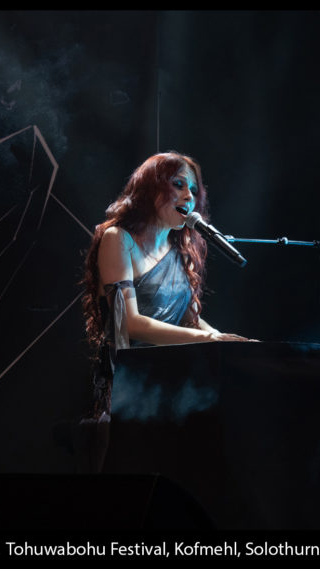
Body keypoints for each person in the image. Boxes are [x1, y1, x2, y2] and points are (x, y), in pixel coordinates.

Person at [76, 151, 250, 470]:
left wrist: (224, 340)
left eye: (193, 190)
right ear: (150, 188)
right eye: (178, 184)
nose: (189, 196)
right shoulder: (118, 239)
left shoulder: (181, 251)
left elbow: (190, 321)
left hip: (175, 386)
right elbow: (129, 323)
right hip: (128, 387)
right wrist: (211, 341)